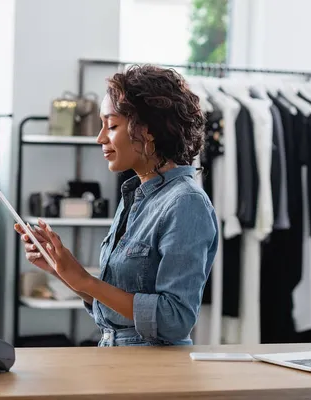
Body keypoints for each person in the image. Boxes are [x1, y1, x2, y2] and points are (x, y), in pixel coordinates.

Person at [15, 64, 219, 347]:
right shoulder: (135, 196)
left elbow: (175, 320)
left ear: (146, 131)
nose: (100, 138)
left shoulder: (186, 204)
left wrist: (87, 281)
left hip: (155, 375)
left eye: (111, 126)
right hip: (116, 362)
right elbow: (118, 308)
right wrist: (61, 270)